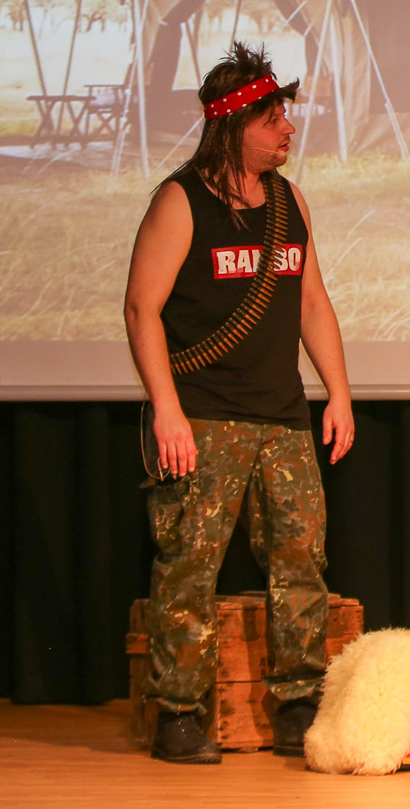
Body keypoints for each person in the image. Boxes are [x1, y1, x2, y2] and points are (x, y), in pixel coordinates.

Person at [123, 43, 356, 764]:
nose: (289, 128)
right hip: (202, 414)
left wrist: (338, 393)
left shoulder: (289, 201)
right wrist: (166, 409)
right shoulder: (181, 200)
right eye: (272, 117)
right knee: (189, 566)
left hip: (281, 415)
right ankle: (179, 711)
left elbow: (311, 300)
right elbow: (141, 307)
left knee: (301, 561)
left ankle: (297, 702)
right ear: (233, 125)